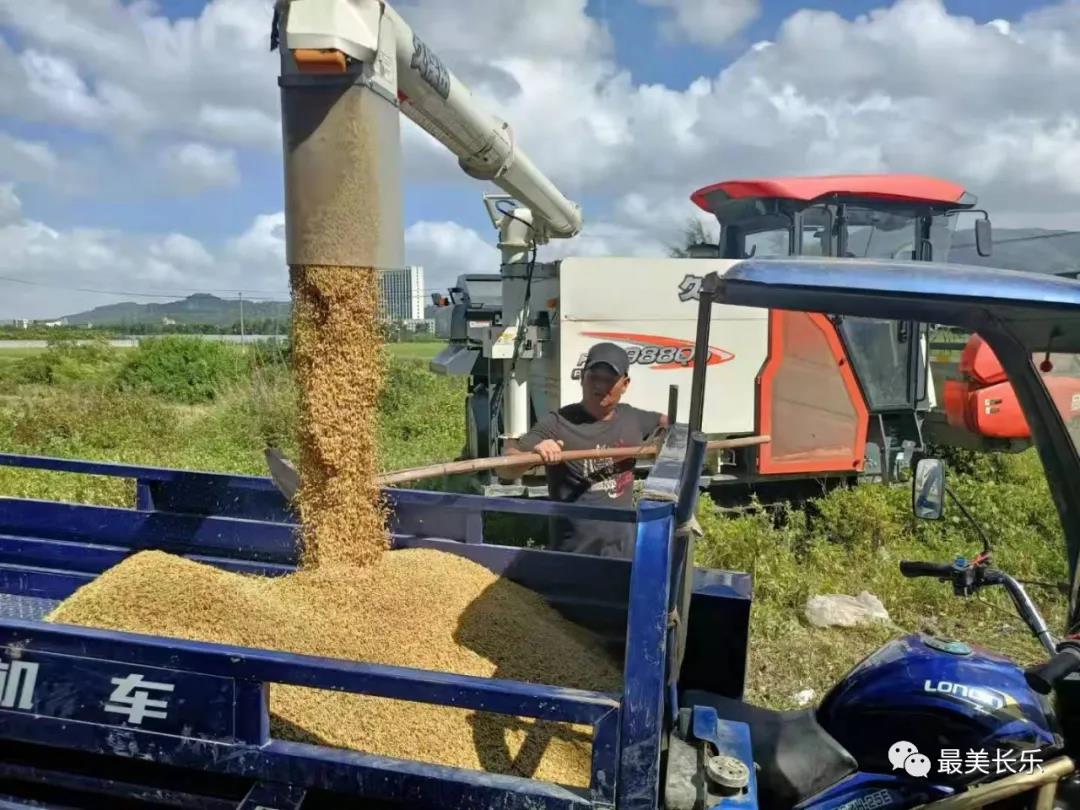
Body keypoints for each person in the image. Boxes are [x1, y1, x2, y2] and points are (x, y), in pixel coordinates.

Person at [499, 342, 668, 559]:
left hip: (623, 554)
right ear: (582, 378)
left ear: (624, 384)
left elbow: (669, 423)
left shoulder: (633, 418)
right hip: (573, 556)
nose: (599, 385)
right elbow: (506, 469)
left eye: (609, 380)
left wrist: (669, 436)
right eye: (593, 376)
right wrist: (536, 450)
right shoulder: (558, 423)